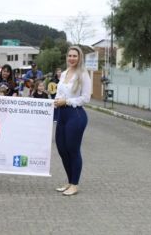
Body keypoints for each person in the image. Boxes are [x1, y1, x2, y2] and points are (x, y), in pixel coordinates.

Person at [54, 46, 91, 196]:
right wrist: (55, 101)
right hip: (61, 115)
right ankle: (69, 182)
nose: (71, 58)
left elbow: (86, 99)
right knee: (62, 150)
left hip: (76, 116)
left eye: (75, 56)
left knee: (73, 150)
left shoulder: (83, 74)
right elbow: (58, 94)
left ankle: (75, 184)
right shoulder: (63, 74)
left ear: (80, 57)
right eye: (69, 55)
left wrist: (66, 101)